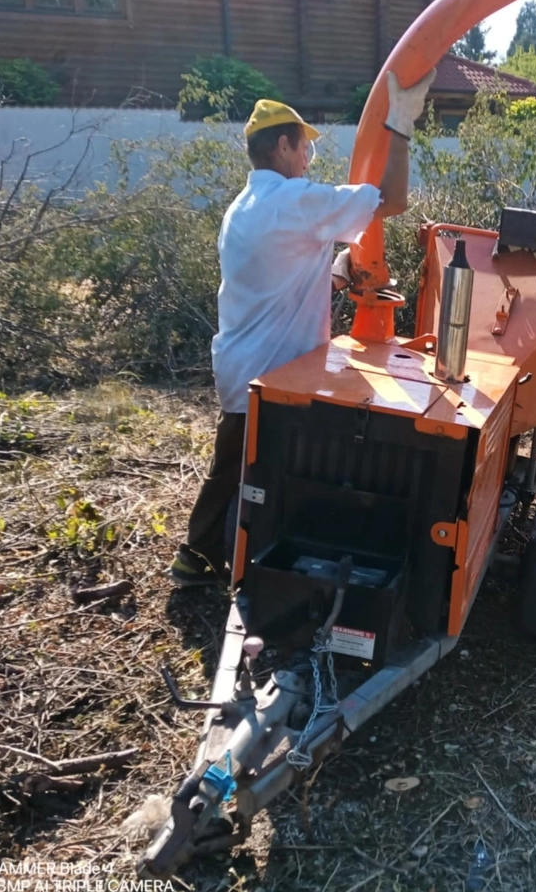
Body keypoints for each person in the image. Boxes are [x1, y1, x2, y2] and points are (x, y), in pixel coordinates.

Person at [168, 68, 438, 587]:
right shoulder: (292, 202)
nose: (310, 158)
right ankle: (222, 562)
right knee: (256, 473)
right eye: (306, 149)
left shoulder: (244, 207)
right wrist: (400, 124)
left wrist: (333, 274)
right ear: (284, 146)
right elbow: (392, 201)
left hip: (246, 364)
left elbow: (278, 276)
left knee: (236, 468)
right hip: (272, 375)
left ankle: (205, 556)